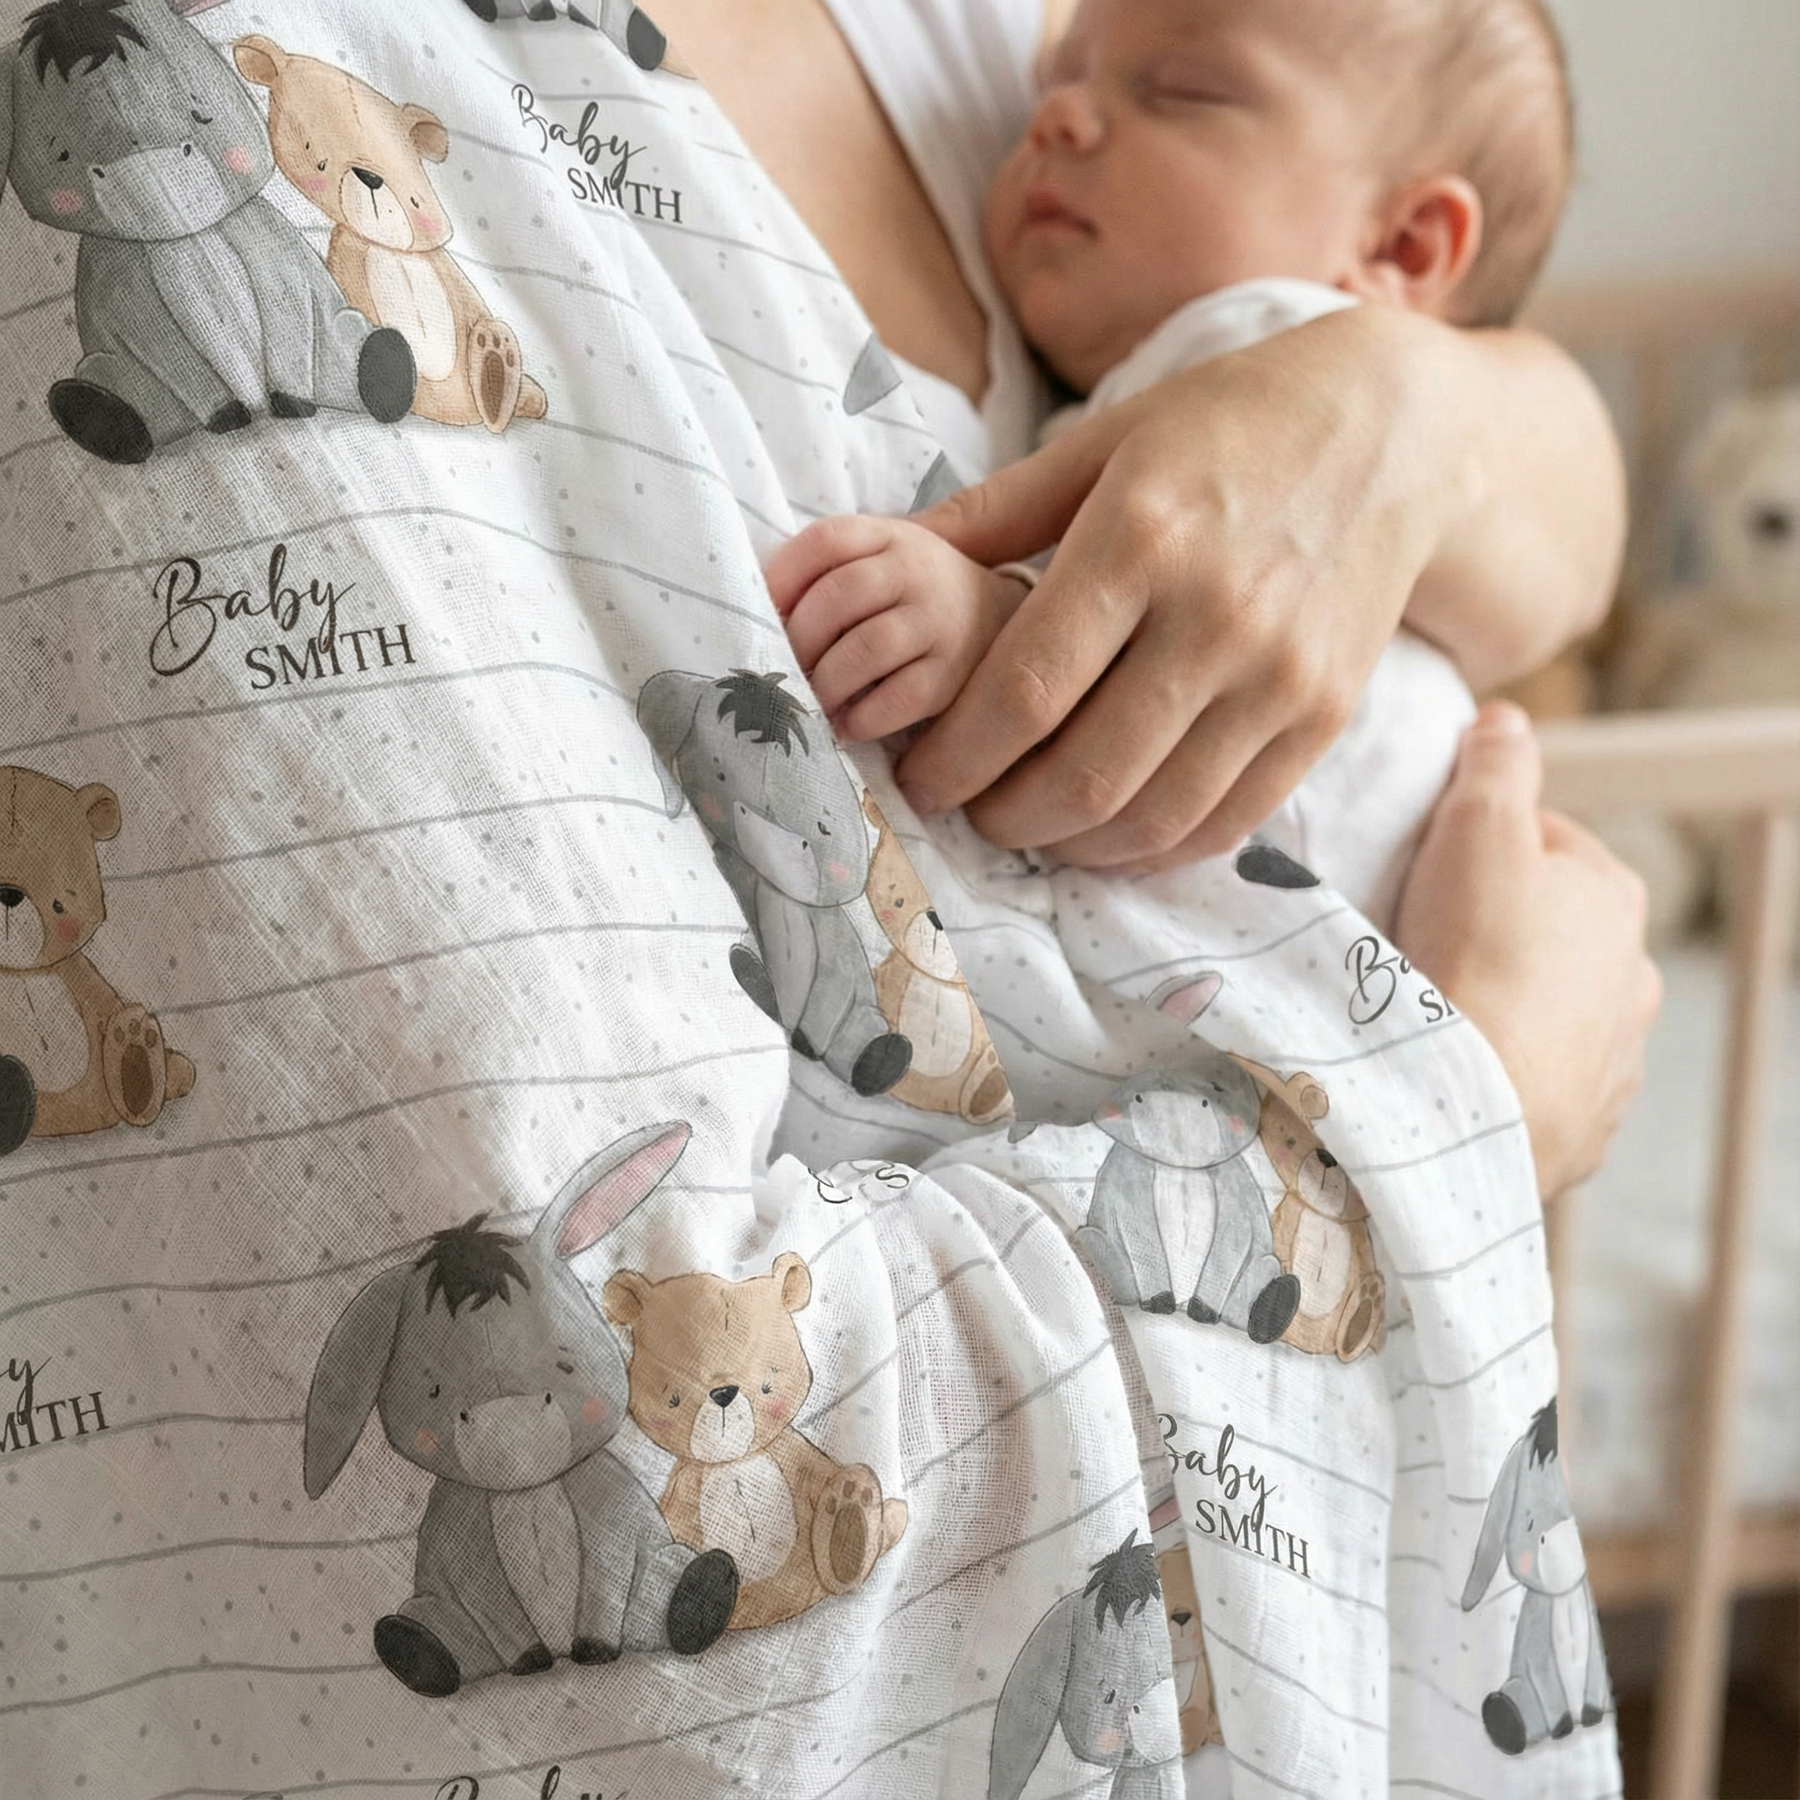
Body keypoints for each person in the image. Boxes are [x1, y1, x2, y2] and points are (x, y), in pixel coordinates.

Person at [771, 0, 1576, 932]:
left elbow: (1160, 624)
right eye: (1057, 80)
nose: (1058, 116)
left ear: (1401, 245)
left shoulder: (1272, 341)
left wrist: (991, 619)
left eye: (1183, 92)